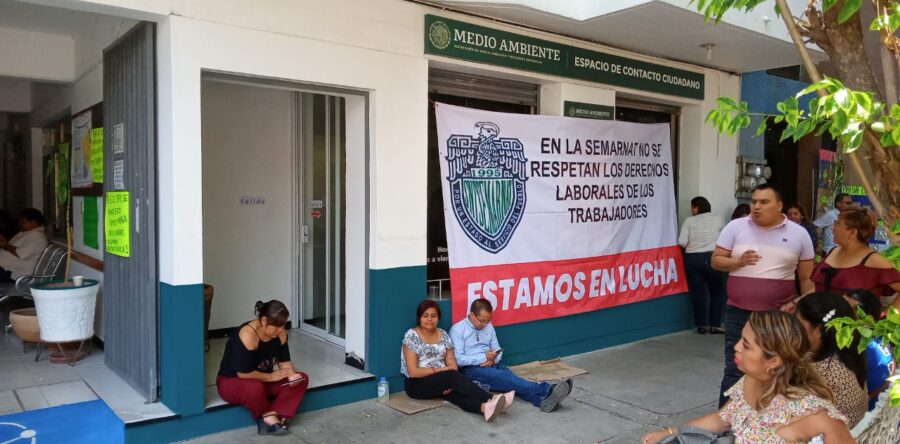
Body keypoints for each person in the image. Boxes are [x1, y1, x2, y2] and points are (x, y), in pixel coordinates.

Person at [642, 311, 852, 444]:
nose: (736, 347)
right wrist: (669, 433)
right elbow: (722, 418)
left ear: (774, 361)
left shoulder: (817, 416)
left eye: (746, 345)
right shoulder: (751, 380)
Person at [711, 183, 815, 407]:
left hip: (778, 316)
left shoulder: (799, 234)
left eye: (764, 202)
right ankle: (726, 425)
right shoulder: (736, 227)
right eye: (754, 201)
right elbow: (716, 261)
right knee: (735, 367)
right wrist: (738, 261)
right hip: (739, 312)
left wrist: (806, 310)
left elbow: (807, 279)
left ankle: (768, 419)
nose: (756, 206)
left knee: (778, 368)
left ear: (779, 206)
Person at [450, 299, 572, 412]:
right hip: (472, 370)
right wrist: (484, 358)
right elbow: (459, 360)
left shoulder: (489, 327)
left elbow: (498, 350)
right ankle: (546, 389)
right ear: (472, 315)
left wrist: (493, 359)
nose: (485, 324)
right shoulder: (458, 330)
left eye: (488, 321)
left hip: (493, 363)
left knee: (513, 382)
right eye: (482, 321)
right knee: (507, 379)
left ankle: (541, 401)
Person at [402, 299, 512, 422]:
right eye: (425, 316)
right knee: (451, 377)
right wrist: (442, 371)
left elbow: (453, 365)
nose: (429, 319)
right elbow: (413, 372)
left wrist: (444, 378)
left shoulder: (443, 335)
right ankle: (491, 397)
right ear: (419, 317)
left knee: (455, 394)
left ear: (438, 318)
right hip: (416, 384)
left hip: (440, 380)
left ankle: (485, 408)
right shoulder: (412, 336)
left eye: (433, 316)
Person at [217, 300, 308, 435]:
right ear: (264, 320)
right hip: (233, 382)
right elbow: (243, 374)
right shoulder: (247, 335)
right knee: (255, 388)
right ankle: (265, 416)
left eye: (283, 326)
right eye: (277, 327)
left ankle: (277, 413)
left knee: (302, 378)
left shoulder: (280, 334)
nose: (281, 330)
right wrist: (271, 376)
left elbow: (285, 362)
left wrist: (292, 375)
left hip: (262, 381)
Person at [796, 292, 868, 427]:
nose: (793, 330)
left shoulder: (822, 372)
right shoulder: (846, 350)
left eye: (798, 325)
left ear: (818, 331)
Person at [810, 205, 900, 308]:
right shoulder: (833, 251)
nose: (832, 228)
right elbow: (819, 287)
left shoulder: (874, 260)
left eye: (838, 223)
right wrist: (796, 302)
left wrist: (886, 318)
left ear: (852, 232)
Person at [677, 196, 726, 334]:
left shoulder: (689, 221)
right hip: (712, 258)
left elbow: (681, 242)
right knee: (717, 293)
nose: (691, 210)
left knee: (699, 294)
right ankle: (715, 325)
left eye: (692, 207)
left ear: (696, 207)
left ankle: (701, 326)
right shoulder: (718, 218)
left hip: (692, 260)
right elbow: (725, 238)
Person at [842, 289, 894, 410]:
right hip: (883, 406)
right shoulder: (880, 334)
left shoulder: (859, 348)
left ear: (866, 319)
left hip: (868, 411)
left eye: (848, 310)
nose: (840, 311)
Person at [0, 208, 49, 283]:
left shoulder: (37, 236)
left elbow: (21, 253)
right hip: (5, 268)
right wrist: (4, 242)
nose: (20, 224)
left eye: (23, 221)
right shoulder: (27, 232)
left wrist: (5, 245)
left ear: (33, 222)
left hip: (13, 273)